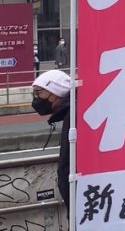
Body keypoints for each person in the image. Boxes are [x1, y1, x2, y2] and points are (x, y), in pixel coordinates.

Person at [32, 70, 72, 205]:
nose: (36, 98)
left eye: (39, 92)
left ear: (56, 92)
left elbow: (68, 162)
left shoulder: (72, 116)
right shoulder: (71, 112)